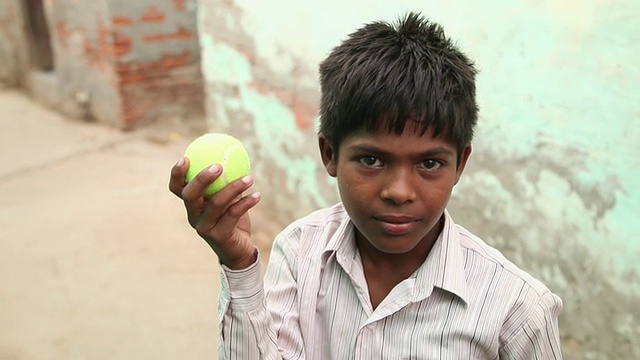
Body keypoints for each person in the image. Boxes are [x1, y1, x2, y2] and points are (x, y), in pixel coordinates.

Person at [169, 11, 563, 359]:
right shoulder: (299, 253)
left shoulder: (518, 311)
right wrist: (239, 264)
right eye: (371, 160)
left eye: (429, 163)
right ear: (329, 154)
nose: (399, 191)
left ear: (460, 164)